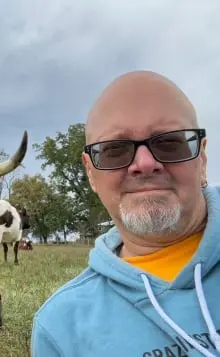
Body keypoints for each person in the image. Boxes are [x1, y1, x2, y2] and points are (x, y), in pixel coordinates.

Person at [30, 70, 220, 357]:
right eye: (115, 150)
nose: (145, 164)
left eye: (169, 143)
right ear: (90, 173)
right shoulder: (61, 327)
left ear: (201, 157)